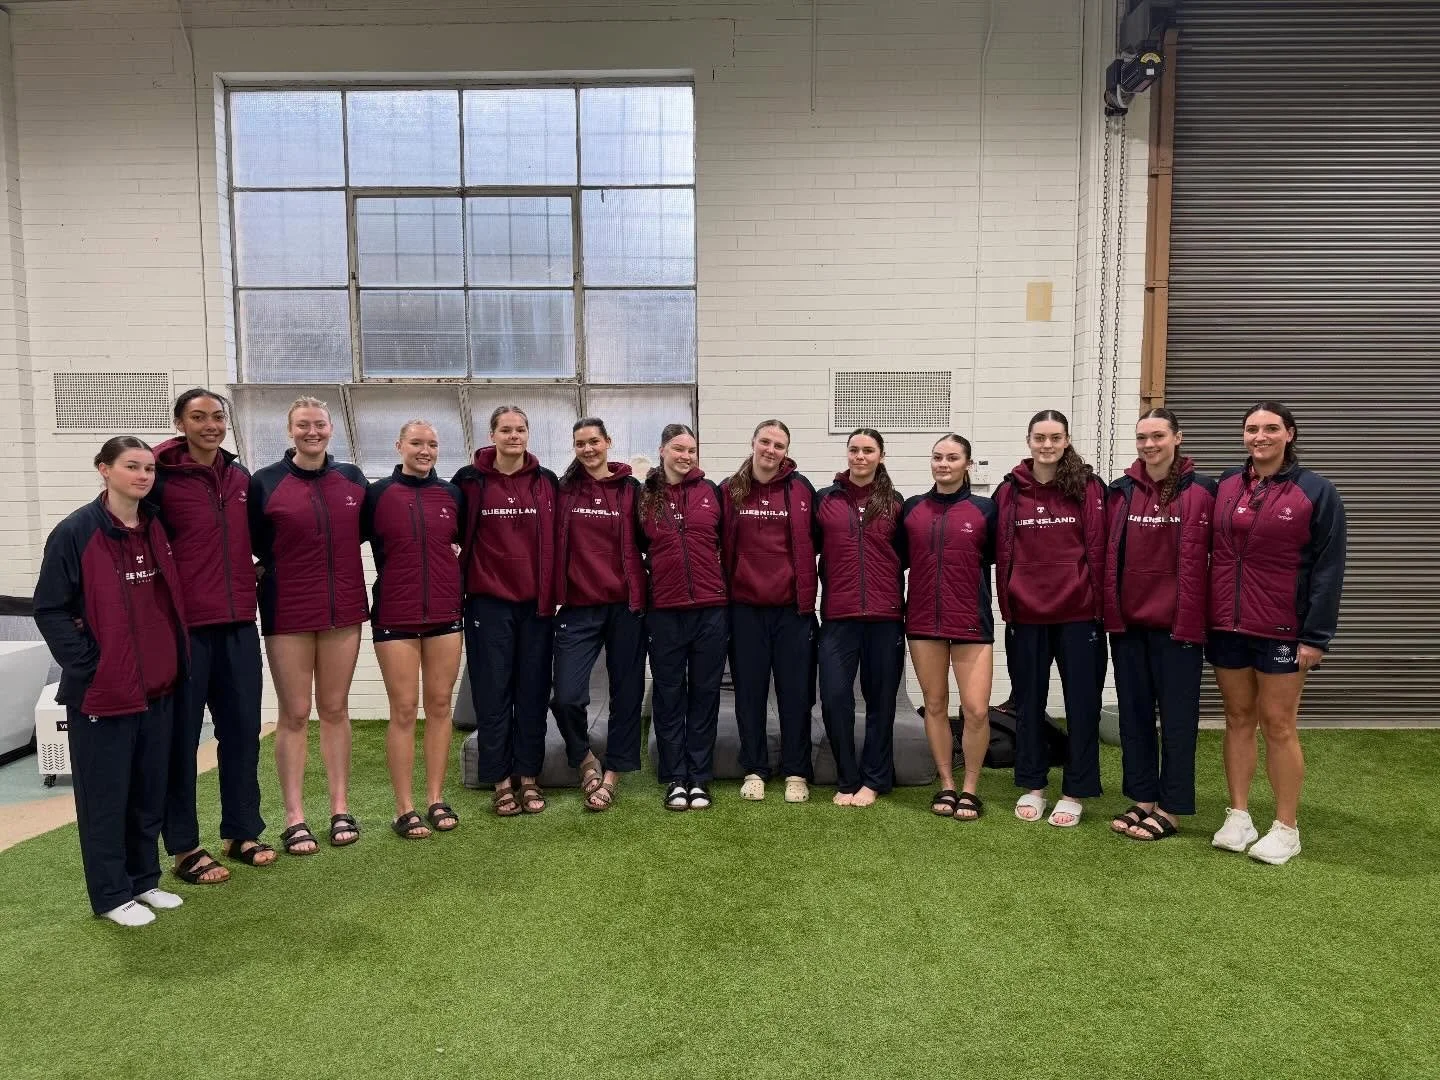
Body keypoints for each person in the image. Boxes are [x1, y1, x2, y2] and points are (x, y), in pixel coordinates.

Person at [34, 437, 190, 926]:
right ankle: (109, 894)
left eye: (148, 468)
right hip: (104, 693)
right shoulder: (76, 533)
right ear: (104, 469)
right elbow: (50, 608)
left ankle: (144, 880)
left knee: (148, 793)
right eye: (131, 467)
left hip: (158, 688)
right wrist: (89, 665)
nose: (143, 476)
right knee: (106, 799)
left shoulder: (154, 527)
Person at [1207, 402, 1345, 865]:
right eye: (1251, 429)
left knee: (1279, 725)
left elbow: (1329, 568)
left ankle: (1286, 827)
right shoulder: (1225, 484)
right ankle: (1239, 815)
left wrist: (1316, 636)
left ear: (1289, 434)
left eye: (1270, 429)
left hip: (1284, 628)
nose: (1259, 436)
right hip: (1227, 624)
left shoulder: (1316, 492)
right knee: (1237, 718)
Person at [150, 389, 269, 885]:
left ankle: (241, 831)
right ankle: (183, 847)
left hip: (240, 624)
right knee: (181, 741)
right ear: (180, 423)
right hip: (186, 631)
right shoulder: (159, 480)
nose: (210, 425)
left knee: (242, 733)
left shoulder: (240, 477)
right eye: (198, 417)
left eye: (217, 416)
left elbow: (263, 538)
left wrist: (256, 571)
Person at [249, 397, 369, 853]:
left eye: (319, 424)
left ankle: (340, 808)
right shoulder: (266, 483)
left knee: (335, 709)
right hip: (288, 610)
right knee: (295, 712)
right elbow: (256, 542)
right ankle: (295, 816)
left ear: (331, 429)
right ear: (290, 430)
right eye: (303, 425)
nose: (312, 432)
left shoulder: (353, 480)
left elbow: (359, 532)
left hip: (343, 610)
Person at [1102, 409, 1216, 841]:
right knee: (1134, 717)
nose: (1149, 444)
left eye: (1157, 436)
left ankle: (1171, 807)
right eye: (1142, 437)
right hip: (1129, 625)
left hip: (1179, 626)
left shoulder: (1205, 490)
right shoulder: (1122, 491)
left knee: (1177, 720)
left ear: (1177, 438)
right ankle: (1143, 798)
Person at [995, 409, 1108, 827]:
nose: (1047, 445)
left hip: (1079, 615)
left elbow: (1103, 547)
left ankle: (1075, 789)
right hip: (1026, 616)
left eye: (1055, 437)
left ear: (1065, 441)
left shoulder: (1089, 487)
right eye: (1040, 437)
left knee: (1082, 705)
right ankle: (1033, 783)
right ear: (1029, 441)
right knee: (1029, 704)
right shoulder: (1009, 492)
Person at [452, 405, 559, 817]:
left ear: (528, 434)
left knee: (532, 692)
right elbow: (452, 533)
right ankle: (499, 780)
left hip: (537, 606)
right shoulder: (470, 481)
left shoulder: (547, 482)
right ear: (492, 434)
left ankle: (528, 777)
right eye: (506, 430)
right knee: (493, 693)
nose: (513, 436)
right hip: (488, 604)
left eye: (520, 429)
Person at [362, 420, 465, 839]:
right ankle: (404, 807)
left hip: (445, 615)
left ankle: (435, 798)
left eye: (433, 444)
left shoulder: (452, 495)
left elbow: (462, 544)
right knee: (404, 710)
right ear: (399, 445)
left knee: (440, 707)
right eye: (417, 443)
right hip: (395, 617)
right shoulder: (378, 494)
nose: (425, 450)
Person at [719, 419, 819, 804]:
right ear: (753, 442)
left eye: (779, 444)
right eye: (765, 441)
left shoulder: (802, 489)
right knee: (749, 694)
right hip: (744, 610)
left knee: (796, 694)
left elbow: (819, 540)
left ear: (786, 450)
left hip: (793, 612)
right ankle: (755, 768)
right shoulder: (730, 490)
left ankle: (796, 770)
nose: (771, 450)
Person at [551, 418, 648, 812]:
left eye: (594, 441)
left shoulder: (631, 491)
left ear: (608, 442)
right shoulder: (563, 490)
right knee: (567, 696)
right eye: (580, 443)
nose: (588, 449)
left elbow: (653, 538)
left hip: (627, 607)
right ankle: (585, 759)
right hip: (578, 607)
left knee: (627, 694)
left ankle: (612, 775)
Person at [899, 433, 997, 821]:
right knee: (935, 705)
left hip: (971, 620)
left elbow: (991, 559)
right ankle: (946, 784)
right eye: (938, 457)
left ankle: (971, 787)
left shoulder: (985, 510)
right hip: (923, 620)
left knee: (974, 709)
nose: (943, 463)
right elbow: (901, 560)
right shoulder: (912, 509)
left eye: (952, 458)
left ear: (967, 464)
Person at [813, 428, 905, 807]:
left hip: (885, 618)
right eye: (854, 449)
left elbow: (906, 556)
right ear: (846, 454)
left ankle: (874, 779)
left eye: (869, 450)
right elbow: (808, 552)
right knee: (835, 699)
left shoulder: (896, 503)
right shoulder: (825, 501)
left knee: (881, 702)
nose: (860, 456)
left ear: (881, 456)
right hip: (839, 617)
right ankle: (847, 777)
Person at [639, 424, 728, 811]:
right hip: (665, 613)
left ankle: (700, 777)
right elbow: (634, 549)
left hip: (711, 610)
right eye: (678, 448)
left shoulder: (711, 493)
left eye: (692, 449)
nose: (686, 456)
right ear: (662, 450)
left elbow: (727, 543)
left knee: (706, 695)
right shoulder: (645, 497)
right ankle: (676, 777)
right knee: (669, 694)